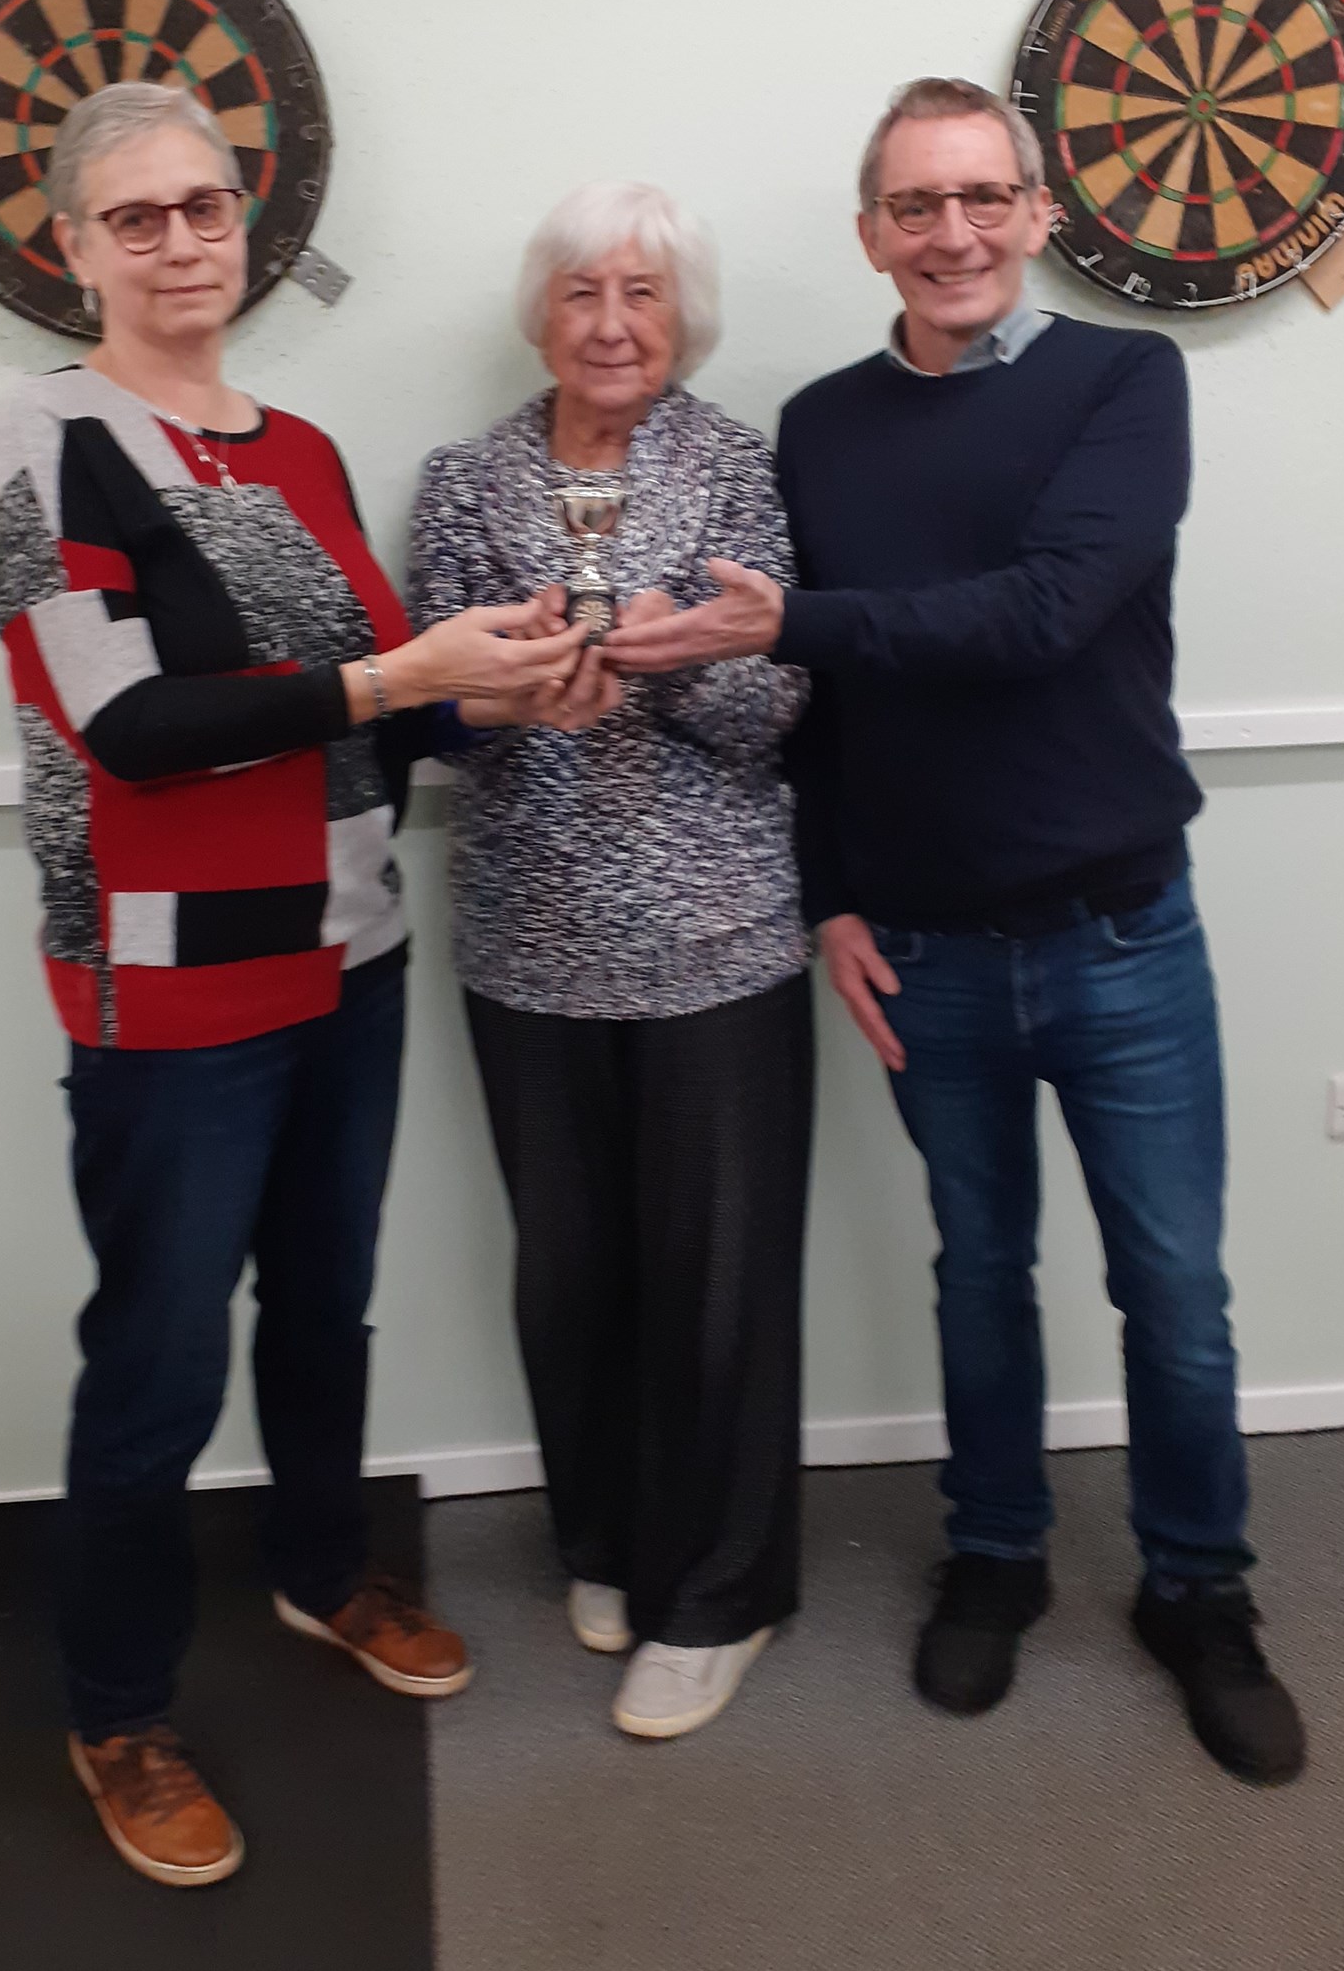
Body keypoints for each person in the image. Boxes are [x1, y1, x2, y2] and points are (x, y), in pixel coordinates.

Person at [604, 80, 1306, 1786]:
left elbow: (1056, 611)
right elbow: (821, 704)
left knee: (1176, 1291)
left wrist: (811, 620)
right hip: (925, 943)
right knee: (979, 1276)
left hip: (1124, 932)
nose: (956, 232)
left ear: (1040, 214)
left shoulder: (1126, 383)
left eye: (986, 196)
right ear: (871, 237)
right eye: (918, 205)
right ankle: (994, 1557)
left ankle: (1200, 1593)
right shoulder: (822, 430)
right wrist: (833, 889)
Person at [0, 82, 587, 1887]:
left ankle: (322, 1574)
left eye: (205, 206)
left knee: (327, 1308)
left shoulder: (298, 449)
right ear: (70, 246)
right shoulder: (42, 440)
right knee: (154, 1365)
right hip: (160, 999)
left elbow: (360, 722)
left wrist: (501, 696)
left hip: (348, 954)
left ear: (250, 225)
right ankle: (117, 1707)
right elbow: (131, 729)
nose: (179, 242)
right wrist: (405, 685)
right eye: (135, 217)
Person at [405, 181, 813, 1742]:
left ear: (682, 317)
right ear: (540, 314)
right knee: (571, 1276)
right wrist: (497, 701)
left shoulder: (739, 471)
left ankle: (721, 1596)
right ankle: (607, 1540)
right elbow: (424, 714)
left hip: (717, 945)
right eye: (582, 293)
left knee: (716, 1286)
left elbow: (779, 708)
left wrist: (668, 669)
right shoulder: (461, 483)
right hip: (526, 945)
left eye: (642, 293)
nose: (612, 323)